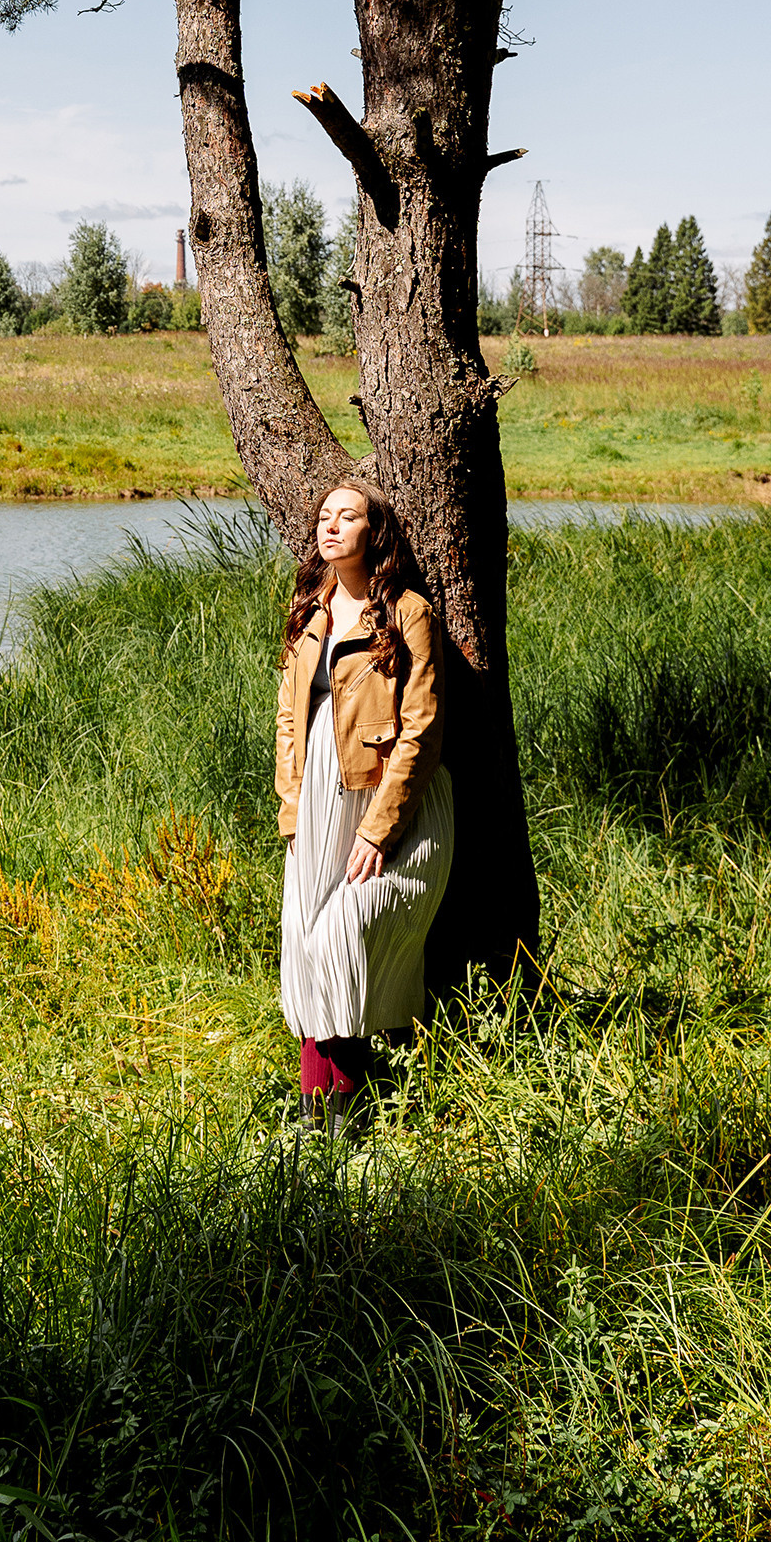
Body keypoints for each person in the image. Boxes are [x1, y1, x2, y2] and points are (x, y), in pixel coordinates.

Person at [276, 479, 455, 1125]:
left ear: (373, 531)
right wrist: (291, 804)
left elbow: (423, 727)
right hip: (318, 798)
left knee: (343, 938)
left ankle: (356, 1098)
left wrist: (380, 830)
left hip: (382, 797)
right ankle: (319, 1116)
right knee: (304, 946)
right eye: (324, 516)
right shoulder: (311, 609)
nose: (330, 527)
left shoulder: (408, 613)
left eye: (346, 516)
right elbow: (289, 721)